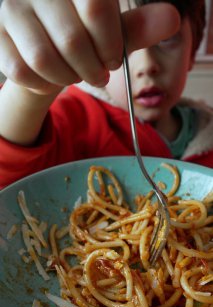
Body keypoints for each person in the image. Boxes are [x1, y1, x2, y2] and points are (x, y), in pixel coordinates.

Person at [0, 0, 212, 190]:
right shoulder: (75, 120)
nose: (146, 65)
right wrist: (30, 91)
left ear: (192, 51)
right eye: (115, 41)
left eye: (167, 39)